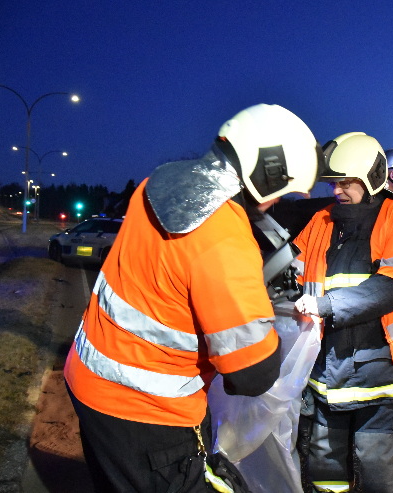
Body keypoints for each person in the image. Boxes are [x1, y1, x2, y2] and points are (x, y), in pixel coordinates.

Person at [63, 104, 324, 492]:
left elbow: (171, 277)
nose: (276, 205)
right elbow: (252, 374)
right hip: (148, 416)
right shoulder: (224, 236)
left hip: (88, 380)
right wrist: (260, 309)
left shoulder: (159, 183)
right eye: (281, 193)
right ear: (268, 173)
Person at [293, 132, 393, 493]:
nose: (337, 190)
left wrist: (325, 305)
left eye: (346, 182)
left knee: (380, 471)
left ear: (371, 177)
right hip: (325, 373)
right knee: (324, 468)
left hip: (381, 375)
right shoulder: (321, 220)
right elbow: (292, 268)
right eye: (334, 182)